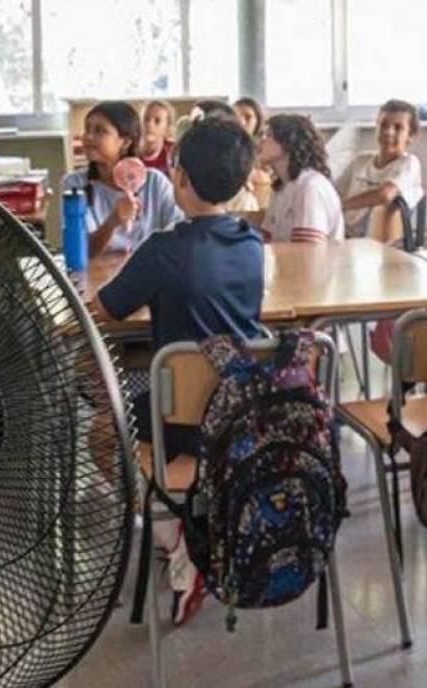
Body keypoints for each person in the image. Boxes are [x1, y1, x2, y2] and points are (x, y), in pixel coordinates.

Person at [93, 118, 264, 624]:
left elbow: (108, 309)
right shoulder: (251, 244)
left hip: (181, 416)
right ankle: (190, 523)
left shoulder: (165, 249)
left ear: (179, 177)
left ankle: (177, 535)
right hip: (239, 409)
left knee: (101, 435)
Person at [61, 101, 180, 256]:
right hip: (97, 277)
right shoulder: (74, 185)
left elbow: (179, 233)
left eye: (100, 131)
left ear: (125, 142)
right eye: (87, 129)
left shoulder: (155, 183)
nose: (88, 137)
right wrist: (113, 221)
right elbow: (80, 251)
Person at [337, 99, 425, 241]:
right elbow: (334, 190)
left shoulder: (409, 163)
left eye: (398, 128)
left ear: (411, 136)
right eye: (383, 125)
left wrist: (342, 206)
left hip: (382, 242)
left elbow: (384, 195)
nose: (389, 132)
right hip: (345, 236)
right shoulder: (361, 160)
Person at [258, 114, 343, 243]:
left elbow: (307, 253)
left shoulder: (310, 187)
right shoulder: (282, 187)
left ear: (288, 143)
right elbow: (266, 242)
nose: (261, 140)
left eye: (268, 135)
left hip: (315, 262)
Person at [234, 96, 272, 208]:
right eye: (236, 117)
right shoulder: (224, 147)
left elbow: (267, 178)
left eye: (248, 117)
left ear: (258, 121)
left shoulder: (265, 147)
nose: (241, 122)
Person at [138, 99, 174, 177]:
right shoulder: (129, 152)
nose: (149, 124)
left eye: (157, 121)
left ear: (167, 128)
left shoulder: (173, 152)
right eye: (146, 119)